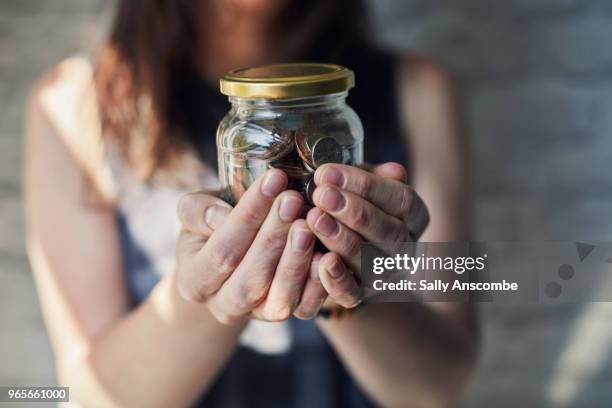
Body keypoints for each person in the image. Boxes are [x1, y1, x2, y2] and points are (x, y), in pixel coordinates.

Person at [25, 0, 476, 406]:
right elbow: (90, 395)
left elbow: (440, 385)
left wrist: (350, 289)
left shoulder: (416, 90)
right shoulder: (74, 107)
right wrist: (206, 293)